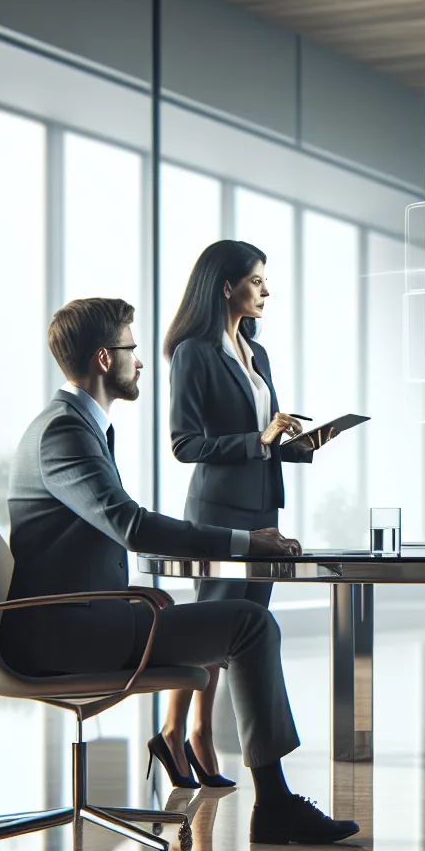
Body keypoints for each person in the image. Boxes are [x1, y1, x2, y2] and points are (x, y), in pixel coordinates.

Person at [0, 296, 357, 845]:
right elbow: (132, 526)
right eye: (131, 348)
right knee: (249, 623)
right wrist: (245, 541)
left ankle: (230, 770)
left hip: (80, 622)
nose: (140, 361)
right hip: (66, 637)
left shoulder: (75, 425)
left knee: (211, 614)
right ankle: (276, 805)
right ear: (103, 359)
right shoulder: (63, 433)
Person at [152, 240, 338, 791]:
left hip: (262, 504)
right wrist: (258, 438)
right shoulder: (193, 352)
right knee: (212, 625)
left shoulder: (256, 353)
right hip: (216, 511)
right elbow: (185, 444)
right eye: (256, 280)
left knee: (235, 633)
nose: (265, 290)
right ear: (225, 285)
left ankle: (195, 733)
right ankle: (179, 732)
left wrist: (292, 442)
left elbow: (260, 441)